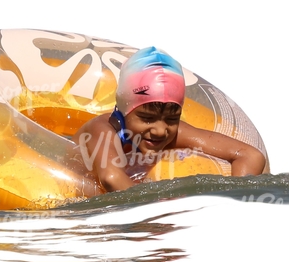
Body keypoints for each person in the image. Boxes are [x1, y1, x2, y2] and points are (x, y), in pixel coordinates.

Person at [74, 47, 266, 192]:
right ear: (123, 110)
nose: (160, 130)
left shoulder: (172, 132)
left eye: (172, 119)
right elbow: (111, 176)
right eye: (147, 118)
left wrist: (236, 198)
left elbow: (250, 155)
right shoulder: (102, 129)